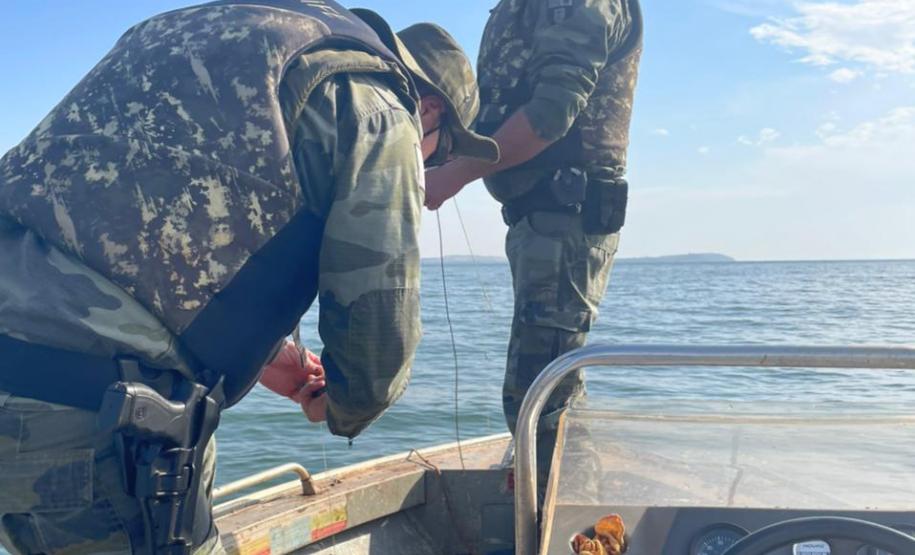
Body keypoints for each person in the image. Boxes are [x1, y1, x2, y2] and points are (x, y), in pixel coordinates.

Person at [0, 0, 498, 552]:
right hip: (91, 418)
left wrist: (268, 354)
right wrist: (341, 403)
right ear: (429, 110)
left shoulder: (231, 29)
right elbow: (377, 335)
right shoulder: (380, 104)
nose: (427, 174)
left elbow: (137, 225)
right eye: (437, 155)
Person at [423, 0, 643, 489]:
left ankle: (559, 519)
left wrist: (453, 176)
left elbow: (550, 114)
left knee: (540, 397)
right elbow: (499, 112)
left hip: (565, 219)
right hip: (538, 221)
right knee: (545, 391)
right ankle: (561, 504)